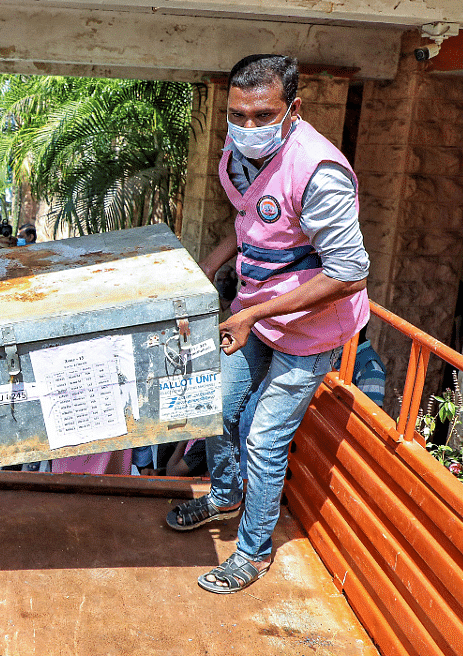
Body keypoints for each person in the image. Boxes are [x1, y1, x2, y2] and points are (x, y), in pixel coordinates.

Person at [165, 54, 370, 596]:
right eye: (238, 114)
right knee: (220, 409)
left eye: (262, 115)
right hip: (257, 308)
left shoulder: (319, 172)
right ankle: (225, 494)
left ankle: (252, 553)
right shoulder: (237, 151)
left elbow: (349, 273)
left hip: (310, 330)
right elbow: (250, 221)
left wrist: (252, 312)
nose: (248, 127)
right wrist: (208, 265)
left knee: (263, 437)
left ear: (293, 109)